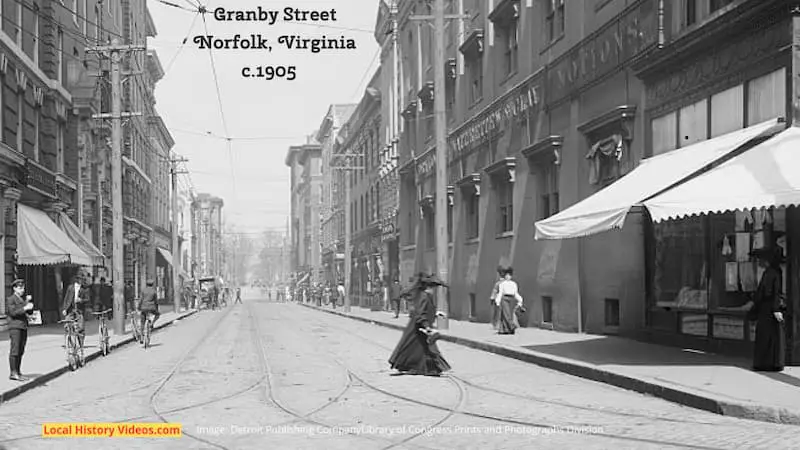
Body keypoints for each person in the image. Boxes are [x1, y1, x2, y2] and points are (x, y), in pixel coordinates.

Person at [388, 273, 451, 376]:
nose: (434, 290)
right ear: (429, 287)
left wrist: (436, 313)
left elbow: (426, 309)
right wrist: (426, 327)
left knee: (418, 349)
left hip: (419, 326)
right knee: (423, 348)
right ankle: (429, 368)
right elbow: (421, 313)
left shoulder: (425, 295)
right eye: (433, 287)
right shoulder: (424, 296)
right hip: (418, 327)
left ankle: (422, 368)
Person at [745, 247, 787, 372]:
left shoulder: (770, 273)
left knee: (766, 337)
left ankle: (765, 363)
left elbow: (769, 292)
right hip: (771, 308)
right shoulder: (775, 271)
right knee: (773, 336)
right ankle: (774, 363)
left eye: (760, 260)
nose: (758, 262)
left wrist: (774, 308)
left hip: (767, 309)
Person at [6, 279, 34, 381]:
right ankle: (13, 372)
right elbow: (13, 313)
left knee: (21, 350)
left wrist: (29, 306)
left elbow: (29, 313)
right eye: (20, 288)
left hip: (23, 326)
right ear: (14, 288)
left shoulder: (22, 300)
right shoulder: (11, 299)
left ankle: (18, 371)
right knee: (15, 349)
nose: (22, 290)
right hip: (15, 327)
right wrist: (25, 308)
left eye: (23, 288)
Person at [492, 267, 524, 335]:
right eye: (506, 275)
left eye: (509, 275)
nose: (507, 277)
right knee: (506, 315)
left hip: (512, 299)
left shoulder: (514, 284)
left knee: (508, 315)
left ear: (511, 276)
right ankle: (512, 326)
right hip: (504, 299)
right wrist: (497, 301)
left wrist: (520, 300)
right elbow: (500, 293)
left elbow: (515, 293)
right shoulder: (502, 284)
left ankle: (506, 330)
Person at [62, 275, 88, 348]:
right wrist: (64, 309)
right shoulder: (70, 287)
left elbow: (88, 299)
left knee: (81, 328)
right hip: (70, 309)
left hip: (79, 310)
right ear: (77, 280)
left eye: (82, 280)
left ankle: (81, 344)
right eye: (80, 279)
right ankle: (68, 342)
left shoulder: (84, 289)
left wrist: (81, 300)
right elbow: (66, 298)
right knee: (67, 324)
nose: (81, 281)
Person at [489, 266, 504, 330]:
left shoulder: (498, 283)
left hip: (498, 299)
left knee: (497, 312)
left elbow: (495, 291)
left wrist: (492, 298)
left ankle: (496, 324)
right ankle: (499, 325)